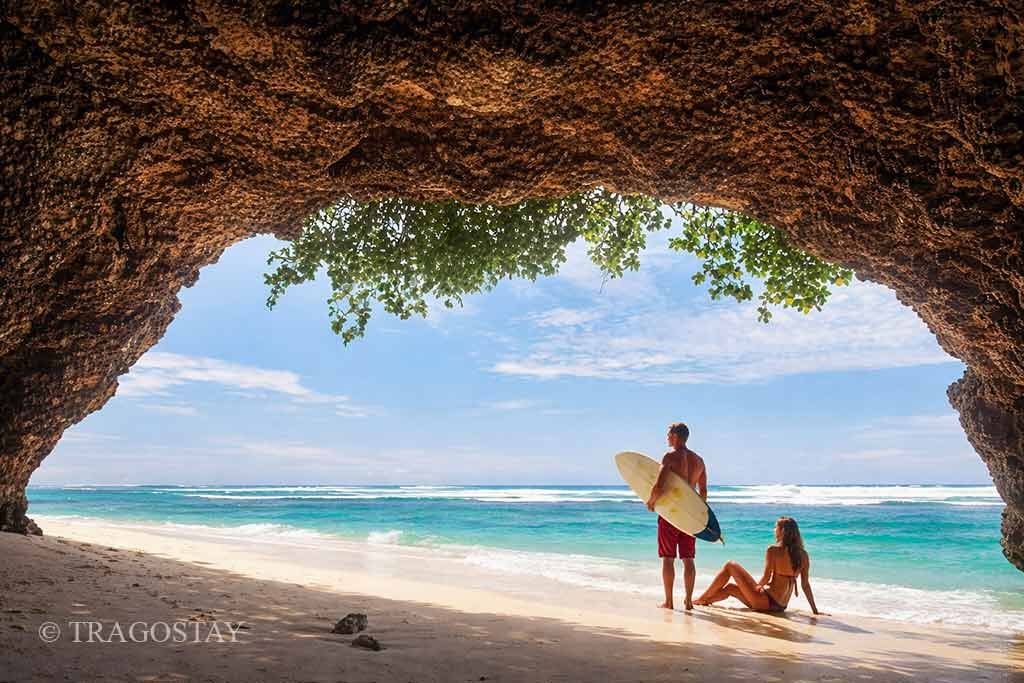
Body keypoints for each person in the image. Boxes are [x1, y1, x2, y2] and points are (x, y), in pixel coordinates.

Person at [693, 516, 823, 615]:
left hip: (765, 601)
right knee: (730, 588)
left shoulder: (773, 550)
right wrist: (815, 611)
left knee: (730, 565)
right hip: (780, 607)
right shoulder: (803, 555)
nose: (774, 530)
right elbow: (805, 585)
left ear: (782, 531)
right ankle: (704, 602)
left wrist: (756, 588)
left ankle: (701, 598)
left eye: (775, 527)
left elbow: (766, 578)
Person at [646, 422, 707, 611]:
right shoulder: (699, 461)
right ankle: (688, 602)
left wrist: (651, 502)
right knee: (689, 559)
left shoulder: (670, 457)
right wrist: (697, 515)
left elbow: (659, 485)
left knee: (668, 558)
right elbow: (703, 492)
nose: (667, 438)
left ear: (675, 435)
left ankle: (669, 602)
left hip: (671, 514)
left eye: (668, 434)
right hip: (689, 516)